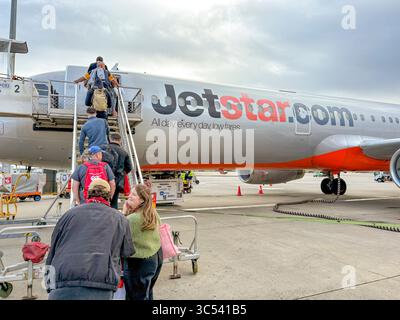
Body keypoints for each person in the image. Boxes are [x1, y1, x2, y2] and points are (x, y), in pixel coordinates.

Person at [45, 179, 135, 300]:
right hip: (100, 285)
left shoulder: (68, 215)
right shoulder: (119, 218)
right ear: (109, 196)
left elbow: (53, 250)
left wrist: (49, 284)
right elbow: (127, 252)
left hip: (62, 282)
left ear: (87, 194)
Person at [122, 184, 163, 300]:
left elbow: (119, 232)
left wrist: (125, 212)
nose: (129, 196)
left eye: (133, 194)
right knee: (147, 293)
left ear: (142, 200)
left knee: (135, 296)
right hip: (155, 257)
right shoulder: (153, 214)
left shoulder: (132, 219)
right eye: (130, 193)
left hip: (138, 262)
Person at [108, 133, 132, 209]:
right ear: (120, 141)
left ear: (110, 139)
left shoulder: (105, 149)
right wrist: (122, 173)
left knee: (103, 201)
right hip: (117, 180)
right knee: (114, 202)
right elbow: (129, 167)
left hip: (105, 179)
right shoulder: (124, 152)